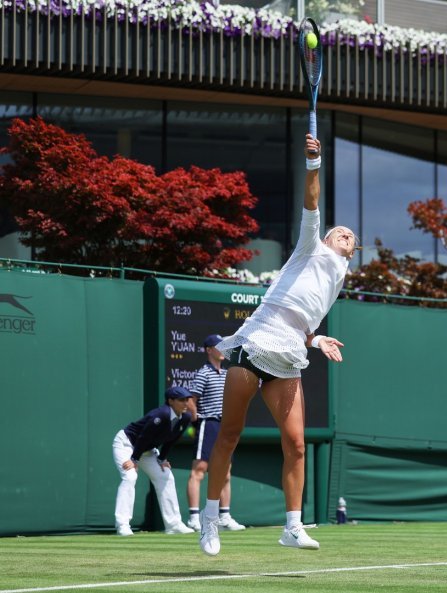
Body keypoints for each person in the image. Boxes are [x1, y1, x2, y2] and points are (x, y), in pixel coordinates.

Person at [199, 135, 357, 556]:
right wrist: (314, 163)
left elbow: (302, 320)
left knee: (297, 444)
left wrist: (317, 337)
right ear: (324, 240)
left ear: (350, 254)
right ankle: (209, 519)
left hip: (289, 354)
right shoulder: (311, 247)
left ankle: (292, 526)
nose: (342, 232)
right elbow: (312, 202)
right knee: (229, 434)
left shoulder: (335, 282)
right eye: (338, 231)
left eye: (349, 236)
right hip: (256, 342)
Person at [112, 386, 197, 536]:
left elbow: (171, 440)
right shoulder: (161, 415)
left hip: (147, 449)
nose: (186, 403)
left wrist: (162, 458)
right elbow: (143, 437)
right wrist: (134, 459)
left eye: (187, 399)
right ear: (171, 401)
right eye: (181, 400)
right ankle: (122, 526)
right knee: (130, 476)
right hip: (127, 444)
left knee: (166, 476)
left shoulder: (185, 417)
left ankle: (174, 525)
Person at [186, 334, 244, 533]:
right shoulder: (203, 373)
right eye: (218, 346)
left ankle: (224, 516)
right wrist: (196, 420)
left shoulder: (228, 373)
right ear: (209, 350)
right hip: (208, 423)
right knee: (200, 469)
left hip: (225, 425)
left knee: (226, 473)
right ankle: (194, 518)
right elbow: (191, 399)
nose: (222, 349)